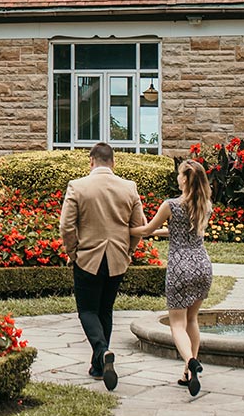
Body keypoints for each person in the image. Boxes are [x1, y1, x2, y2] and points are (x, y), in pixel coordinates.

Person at [59, 142, 146, 391]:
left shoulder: (77, 186)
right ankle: (98, 366)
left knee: (87, 310)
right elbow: (137, 225)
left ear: (91, 161)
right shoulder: (129, 187)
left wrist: (72, 252)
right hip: (117, 258)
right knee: (105, 309)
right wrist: (128, 251)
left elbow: (66, 226)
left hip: (87, 257)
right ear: (113, 162)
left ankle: (101, 351)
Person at [130, 159, 213, 396]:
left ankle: (190, 361)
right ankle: (189, 372)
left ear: (185, 179)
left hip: (179, 267)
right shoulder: (205, 204)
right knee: (192, 320)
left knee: (176, 323)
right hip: (202, 266)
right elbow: (187, 229)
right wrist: (163, 230)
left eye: (179, 175)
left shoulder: (171, 205)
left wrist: (126, 230)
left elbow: (145, 230)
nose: (177, 178)